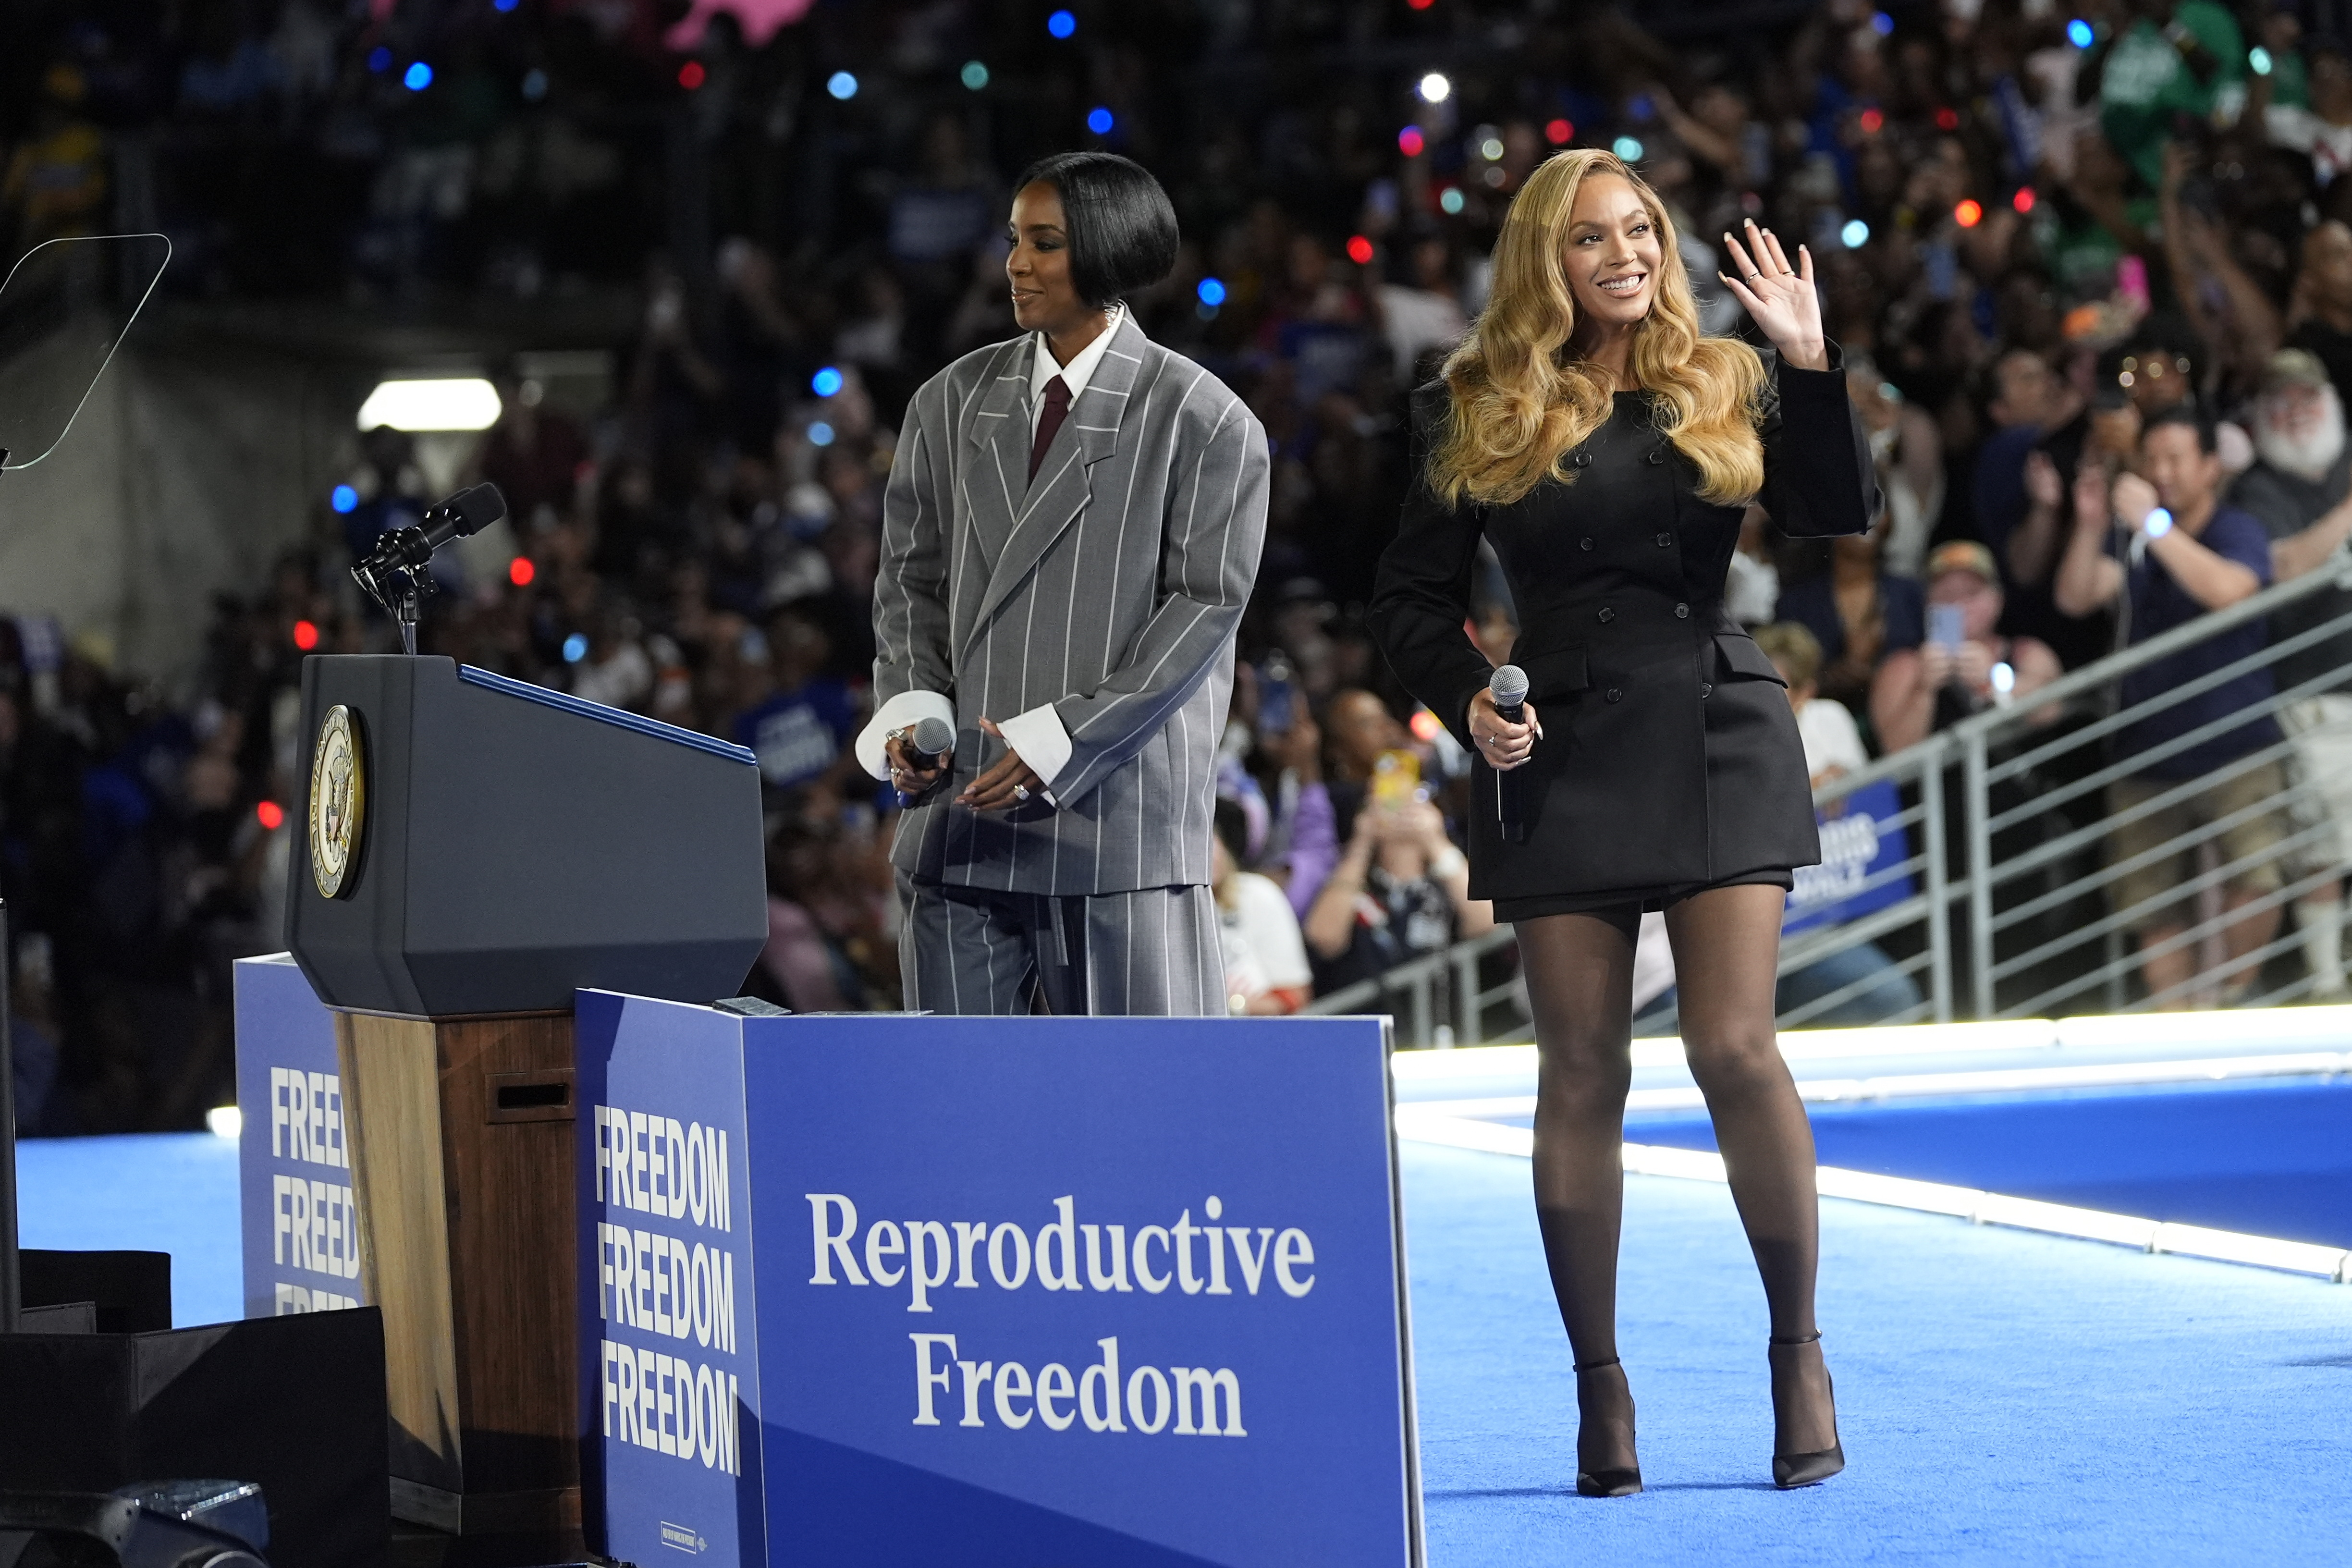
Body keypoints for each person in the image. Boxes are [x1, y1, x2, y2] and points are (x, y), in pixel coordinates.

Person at [1369, 149, 1874, 1496]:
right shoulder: (1470, 405)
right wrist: (1469, 701)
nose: (1627, 254)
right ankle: (1600, 1393)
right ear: (1549, 259)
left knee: (1733, 1045)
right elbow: (1410, 606)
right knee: (1582, 1071)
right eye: (1594, 238)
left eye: (1641, 230)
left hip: (1714, 718)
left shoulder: (1723, 374)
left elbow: (1837, 516)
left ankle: (1798, 1355)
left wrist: (1811, 366)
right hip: (1555, 743)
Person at [857, 151, 1271, 1014]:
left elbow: (1203, 609)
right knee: (965, 1130)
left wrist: (1068, 738)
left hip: (1121, 833)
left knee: (1139, 1126)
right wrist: (911, 709)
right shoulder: (949, 400)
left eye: (1045, 243)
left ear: (1110, 253)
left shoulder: (1204, 418)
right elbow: (908, 580)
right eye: (1015, 239)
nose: (1015, 263)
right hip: (959, 821)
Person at [2055, 408, 2290, 1008]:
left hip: (2236, 742)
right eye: (2151, 460)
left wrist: (2156, 527)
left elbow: (2231, 591)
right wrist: (2088, 524)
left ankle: (2232, 1001)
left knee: (2258, 878)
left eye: (2175, 459)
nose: (2160, 472)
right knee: (2151, 905)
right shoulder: (2134, 535)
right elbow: (2076, 596)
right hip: (2145, 748)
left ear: (2210, 467)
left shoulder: (2236, 527)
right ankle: (2176, 1020)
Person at [2227, 348, 2352, 997]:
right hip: (2316, 691)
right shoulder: (2260, 489)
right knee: (2322, 847)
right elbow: (2283, 567)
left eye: (2309, 399)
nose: (2298, 413)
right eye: (2284, 403)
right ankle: (2329, 981)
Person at [1870, 540, 2063, 754]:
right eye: (1947, 595)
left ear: (1997, 600)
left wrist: (1992, 681)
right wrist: (1923, 689)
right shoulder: (1904, 667)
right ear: (1927, 606)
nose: (1960, 604)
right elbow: (1895, 752)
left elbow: (2050, 710)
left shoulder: (2026, 652)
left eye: (1972, 592)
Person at [1208, 800, 1312, 1015]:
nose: (1202, 854)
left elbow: (1294, 996)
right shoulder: (1158, 910)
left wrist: (1233, 1007)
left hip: (1255, 1033)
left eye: (1210, 840)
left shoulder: (1256, 895)